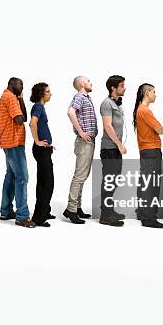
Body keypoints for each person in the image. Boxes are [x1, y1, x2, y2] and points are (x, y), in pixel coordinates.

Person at [0, 77, 35, 228]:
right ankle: (22, 216)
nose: (22, 87)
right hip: (13, 142)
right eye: (20, 84)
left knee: (11, 175)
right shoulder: (10, 97)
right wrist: (19, 99)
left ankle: (5, 211)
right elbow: (21, 119)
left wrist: (21, 98)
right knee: (22, 177)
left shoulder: (9, 96)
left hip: (9, 142)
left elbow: (23, 117)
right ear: (11, 84)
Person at [64, 76, 97, 224]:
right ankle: (71, 209)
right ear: (82, 84)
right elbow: (70, 112)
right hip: (84, 142)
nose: (91, 83)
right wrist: (82, 132)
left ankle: (77, 207)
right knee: (79, 176)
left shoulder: (86, 98)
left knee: (83, 175)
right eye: (88, 81)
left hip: (89, 142)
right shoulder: (79, 96)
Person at [133, 83, 163, 228]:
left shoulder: (139, 110)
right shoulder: (145, 111)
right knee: (151, 185)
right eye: (153, 92)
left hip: (145, 151)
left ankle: (142, 212)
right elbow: (160, 129)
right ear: (147, 92)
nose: (155, 94)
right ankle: (149, 218)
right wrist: (160, 128)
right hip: (152, 150)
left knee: (145, 183)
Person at [99, 75, 127, 227]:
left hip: (115, 149)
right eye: (121, 85)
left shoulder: (117, 103)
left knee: (114, 181)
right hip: (109, 149)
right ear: (113, 88)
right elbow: (108, 126)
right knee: (109, 182)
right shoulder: (106, 103)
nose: (124, 88)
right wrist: (119, 144)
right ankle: (105, 216)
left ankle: (109, 210)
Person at [29, 83, 55, 227]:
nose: (50, 93)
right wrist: (37, 141)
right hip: (41, 150)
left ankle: (44, 212)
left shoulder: (40, 107)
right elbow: (33, 123)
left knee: (42, 182)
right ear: (41, 94)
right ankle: (38, 218)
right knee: (48, 183)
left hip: (44, 150)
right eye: (48, 91)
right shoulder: (38, 106)